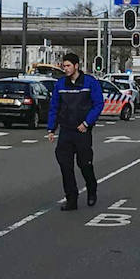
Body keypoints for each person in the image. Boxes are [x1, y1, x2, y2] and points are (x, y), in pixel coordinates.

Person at [47, 53, 104, 211]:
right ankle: (71, 199)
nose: (65, 69)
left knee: (84, 163)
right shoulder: (60, 85)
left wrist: (87, 122)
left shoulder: (89, 83)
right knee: (65, 165)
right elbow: (54, 107)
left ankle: (91, 189)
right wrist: (51, 128)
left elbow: (98, 104)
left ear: (76, 66)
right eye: (64, 66)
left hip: (82, 130)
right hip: (66, 130)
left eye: (68, 66)